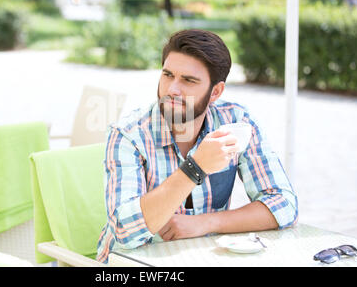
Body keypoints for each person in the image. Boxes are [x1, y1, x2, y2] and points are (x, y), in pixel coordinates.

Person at [96, 29, 298, 264]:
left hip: (203, 258)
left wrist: (207, 222)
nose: (172, 89)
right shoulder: (128, 135)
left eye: (188, 80)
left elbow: (283, 204)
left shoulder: (236, 123)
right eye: (168, 75)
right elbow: (124, 230)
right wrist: (195, 168)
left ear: (216, 92)